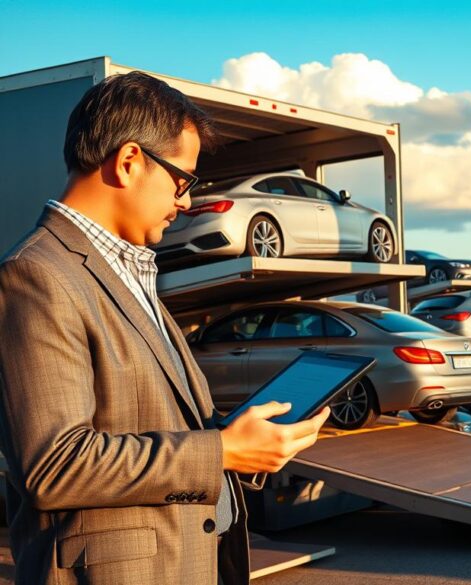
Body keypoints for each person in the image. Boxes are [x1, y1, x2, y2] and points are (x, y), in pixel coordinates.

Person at [0, 71, 330, 584]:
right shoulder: (36, 275)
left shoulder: (129, 267)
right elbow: (55, 464)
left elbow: (150, 416)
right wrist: (222, 450)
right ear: (130, 161)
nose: (185, 202)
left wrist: (240, 438)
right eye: (183, 180)